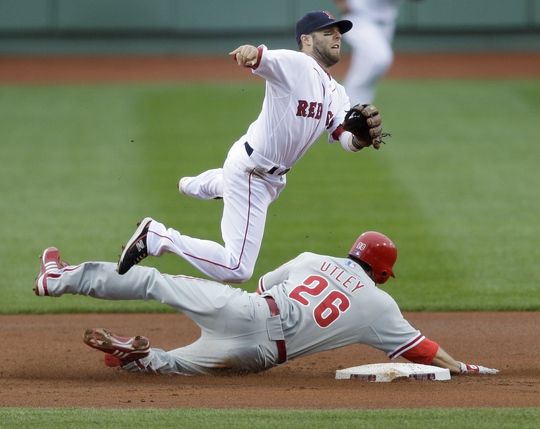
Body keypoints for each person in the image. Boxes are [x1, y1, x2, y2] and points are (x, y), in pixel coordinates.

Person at [115, 10, 386, 284]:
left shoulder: (337, 92)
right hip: (251, 172)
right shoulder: (295, 64)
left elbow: (346, 140)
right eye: (328, 32)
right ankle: (156, 237)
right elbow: (260, 57)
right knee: (237, 268)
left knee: (231, 187)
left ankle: (199, 184)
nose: (337, 36)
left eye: (339, 32)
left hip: (270, 178)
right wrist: (250, 53)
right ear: (306, 40)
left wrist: (361, 139)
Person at [34, 232, 498, 377]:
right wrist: (464, 367)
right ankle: (143, 359)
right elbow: (422, 350)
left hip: (253, 311)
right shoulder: (379, 305)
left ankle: (61, 280)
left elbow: (262, 285)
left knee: (155, 280)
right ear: (381, 272)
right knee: (176, 366)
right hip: (259, 357)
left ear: (354, 253)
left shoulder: (314, 258)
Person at [334, 0, 405, 104]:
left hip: (386, 25)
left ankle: (351, 111)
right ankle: (346, 107)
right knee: (379, 59)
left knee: (365, 73)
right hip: (359, 18)